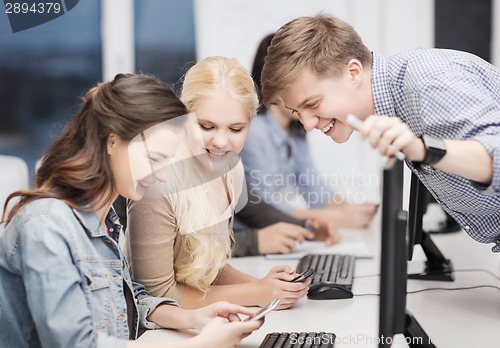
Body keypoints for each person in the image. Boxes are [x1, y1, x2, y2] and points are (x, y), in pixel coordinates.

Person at [0, 73, 262, 348]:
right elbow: (74, 343)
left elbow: (128, 298)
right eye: (155, 159)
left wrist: (193, 318)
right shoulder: (46, 226)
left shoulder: (105, 221)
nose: (162, 177)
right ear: (112, 142)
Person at [261, 14, 500, 252]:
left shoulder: (428, 83)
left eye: (312, 104)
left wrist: (422, 150)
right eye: (296, 111)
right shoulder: (399, 101)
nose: (308, 124)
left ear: (353, 72)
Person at [125, 57, 310, 310]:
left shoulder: (229, 169)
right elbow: (155, 296)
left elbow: (208, 268)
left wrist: (268, 288)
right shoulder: (156, 183)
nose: (221, 142)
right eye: (206, 126)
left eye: (236, 129)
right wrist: (256, 292)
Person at [238, 33, 377, 231]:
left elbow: (314, 188)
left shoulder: (296, 130)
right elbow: (266, 208)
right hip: (255, 234)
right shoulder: (255, 133)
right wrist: (338, 219)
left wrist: (352, 210)